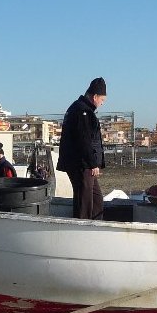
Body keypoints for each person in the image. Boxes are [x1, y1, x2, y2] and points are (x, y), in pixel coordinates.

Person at [56, 77, 107, 219]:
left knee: (96, 199)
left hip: (83, 163)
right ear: (95, 97)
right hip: (81, 165)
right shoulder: (82, 111)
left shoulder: (79, 108)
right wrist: (92, 163)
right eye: (102, 100)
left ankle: (96, 224)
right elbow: (84, 140)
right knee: (84, 201)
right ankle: (82, 226)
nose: (102, 103)